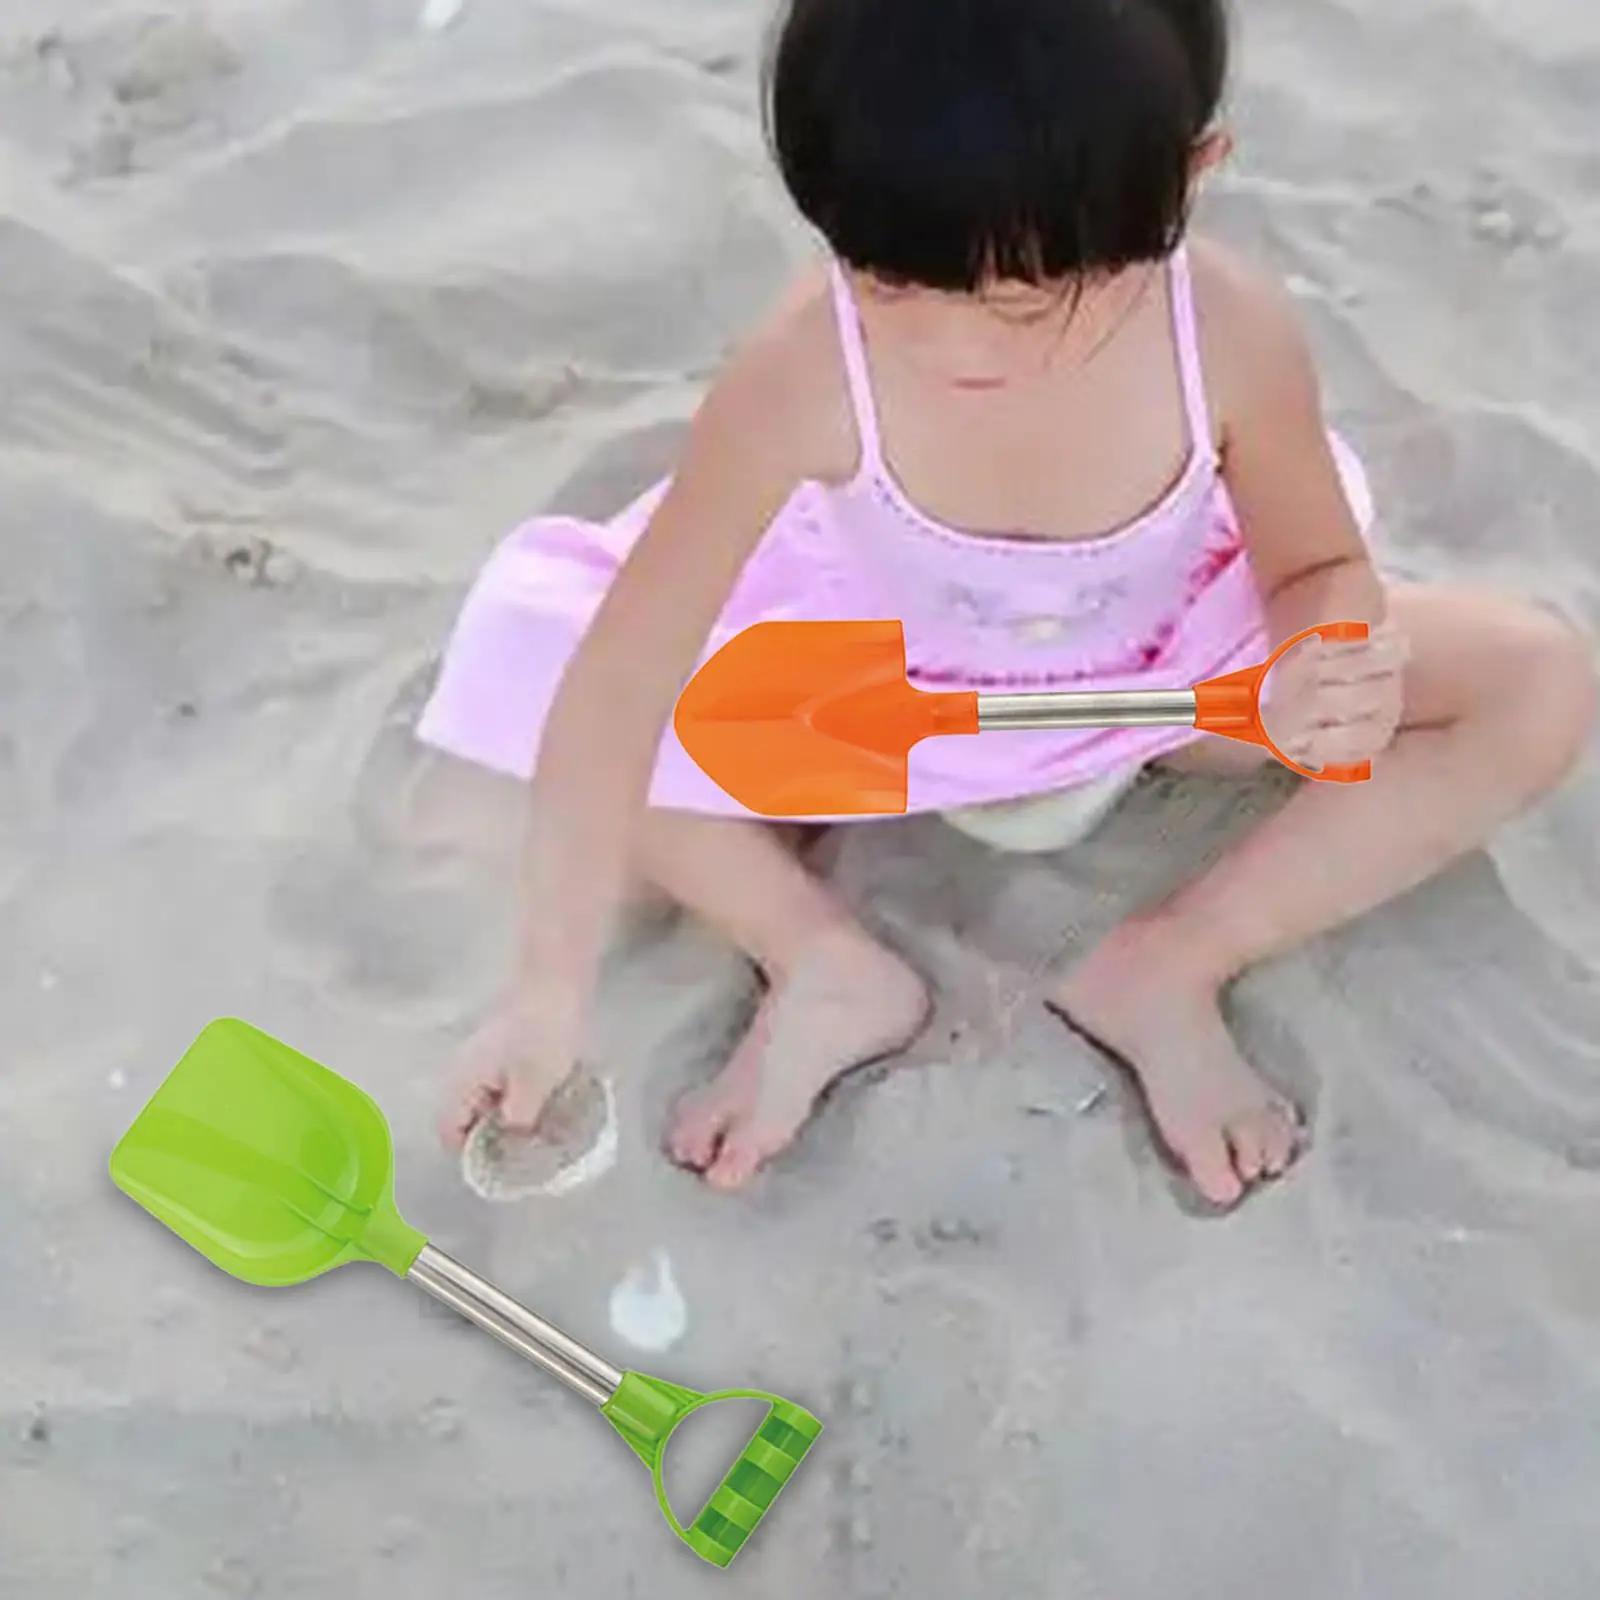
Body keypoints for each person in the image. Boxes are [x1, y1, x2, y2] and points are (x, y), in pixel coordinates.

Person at [418, 0, 1596, 1208]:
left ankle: (1175, 960)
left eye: (1028, 300)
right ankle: (817, 952)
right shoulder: (802, 372)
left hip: (1163, 681)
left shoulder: (1229, 338)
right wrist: (545, 997)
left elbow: (1314, 570)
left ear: (1191, 177)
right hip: (882, 697)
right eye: (886, 281)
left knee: (1536, 682)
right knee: (543, 659)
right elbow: (623, 673)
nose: (950, 342)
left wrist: (1323, 656)